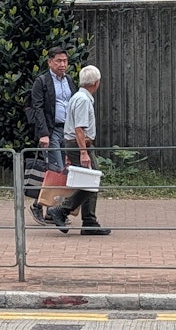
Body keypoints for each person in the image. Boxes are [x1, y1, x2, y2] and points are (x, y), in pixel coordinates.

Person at [46, 65, 111, 235]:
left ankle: (89, 221)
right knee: (92, 181)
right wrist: (83, 152)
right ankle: (63, 210)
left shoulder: (77, 97)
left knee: (90, 181)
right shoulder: (83, 100)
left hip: (75, 144)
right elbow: (79, 128)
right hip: (81, 144)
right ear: (96, 82)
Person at [28, 46, 77, 225]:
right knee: (55, 168)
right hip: (51, 130)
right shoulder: (42, 82)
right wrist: (43, 134)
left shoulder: (69, 81)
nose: (62, 64)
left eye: (65, 61)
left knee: (63, 170)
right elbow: (37, 108)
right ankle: (37, 205)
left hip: (67, 131)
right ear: (50, 62)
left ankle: (51, 211)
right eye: (58, 61)